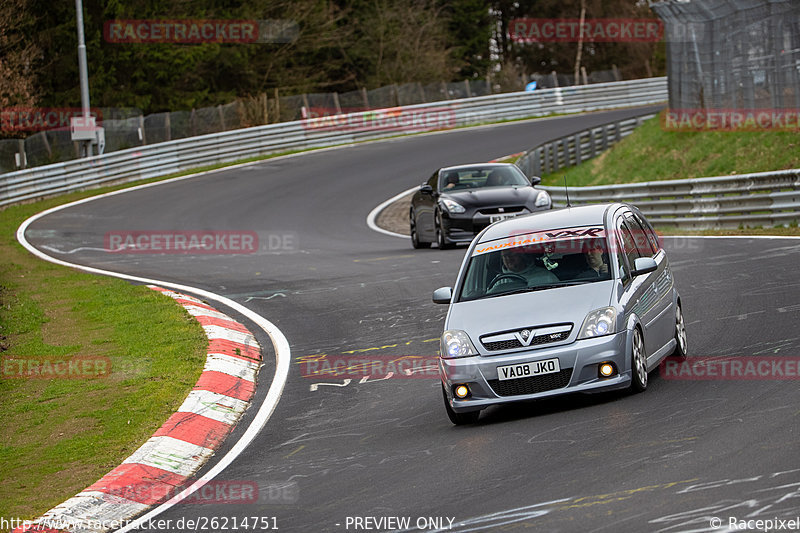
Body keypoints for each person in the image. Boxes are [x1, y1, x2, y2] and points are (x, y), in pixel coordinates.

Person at [490, 248, 559, 290]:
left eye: (512, 255)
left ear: (522, 256)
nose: (509, 259)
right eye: (505, 256)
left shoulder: (546, 276)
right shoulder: (498, 281)